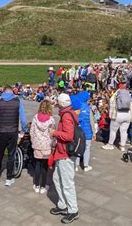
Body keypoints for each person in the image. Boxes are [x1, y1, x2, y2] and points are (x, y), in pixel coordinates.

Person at [49, 93, 80, 224]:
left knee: (67, 183)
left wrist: (54, 133)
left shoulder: (66, 116)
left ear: (61, 104)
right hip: (62, 152)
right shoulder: (69, 112)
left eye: (57, 103)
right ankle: (63, 205)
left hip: (65, 154)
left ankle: (73, 210)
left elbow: (68, 136)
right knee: (56, 178)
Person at [0, 85, 28, 187]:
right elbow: (23, 119)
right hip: (13, 131)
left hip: (1, 131)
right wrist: (24, 130)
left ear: (3, 92)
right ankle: (9, 178)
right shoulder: (18, 102)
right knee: (11, 155)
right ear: (12, 92)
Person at [102, 83, 132, 151]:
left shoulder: (117, 93)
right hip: (127, 114)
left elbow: (111, 102)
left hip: (118, 114)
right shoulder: (128, 94)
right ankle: (122, 146)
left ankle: (110, 144)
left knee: (113, 131)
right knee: (124, 131)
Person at [30, 100, 55, 193]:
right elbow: (52, 133)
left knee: (37, 164)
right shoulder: (51, 119)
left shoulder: (35, 117)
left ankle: (36, 185)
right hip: (46, 145)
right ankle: (43, 186)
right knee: (44, 166)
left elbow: (32, 131)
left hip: (37, 145)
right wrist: (53, 143)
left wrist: (33, 140)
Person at [71, 89, 94, 172]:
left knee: (77, 147)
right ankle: (85, 165)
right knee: (87, 148)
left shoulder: (76, 107)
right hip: (87, 133)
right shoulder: (88, 108)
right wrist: (94, 133)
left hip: (78, 132)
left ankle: (76, 165)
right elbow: (92, 122)